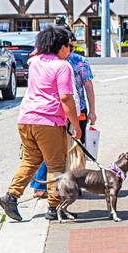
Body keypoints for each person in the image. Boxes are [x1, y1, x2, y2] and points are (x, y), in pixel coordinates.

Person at [0, 26, 82, 223]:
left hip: (26, 118)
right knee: (56, 165)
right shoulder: (63, 67)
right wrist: (76, 125)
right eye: (68, 46)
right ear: (61, 47)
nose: (69, 50)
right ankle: (53, 208)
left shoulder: (34, 62)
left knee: (30, 160)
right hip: (49, 121)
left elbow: (36, 52)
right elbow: (66, 99)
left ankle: (11, 196)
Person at [29, 34, 96, 197]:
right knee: (74, 149)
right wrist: (92, 111)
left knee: (50, 149)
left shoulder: (42, 61)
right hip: (73, 111)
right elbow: (87, 87)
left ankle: (42, 186)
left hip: (52, 112)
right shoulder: (78, 61)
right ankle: (71, 185)